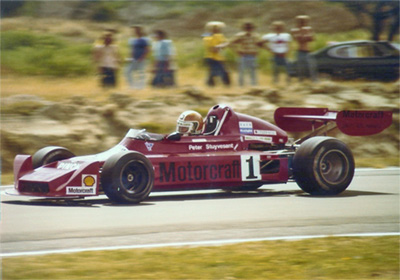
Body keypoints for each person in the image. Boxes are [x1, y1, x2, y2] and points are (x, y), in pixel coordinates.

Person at [221, 21, 261, 86]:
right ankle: (241, 86)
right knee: (242, 72)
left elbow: (259, 44)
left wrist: (257, 51)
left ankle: (254, 86)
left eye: (250, 28)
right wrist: (236, 50)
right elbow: (231, 43)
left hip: (253, 56)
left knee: (253, 72)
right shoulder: (240, 35)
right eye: (247, 28)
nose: (249, 29)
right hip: (244, 56)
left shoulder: (255, 36)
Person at [203, 21, 230, 87]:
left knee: (213, 72)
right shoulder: (207, 37)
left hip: (219, 57)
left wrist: (219, 47)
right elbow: (212, 49)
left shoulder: (220, 36)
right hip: (211, 57)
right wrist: (220, 47)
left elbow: (226, 43)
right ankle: (225, 84)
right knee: (220, 72)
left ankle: (210, 84)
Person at [291, 15, 318, 82]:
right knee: (301, 69)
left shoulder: (308, 29)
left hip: (308, 51)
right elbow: (298, 39)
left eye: (304, 21)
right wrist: (305, 35)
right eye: (301, 21)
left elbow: (312, 38)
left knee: (312, 68)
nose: (303, 23)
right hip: (300, 51)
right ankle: (301, 82)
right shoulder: (295, 30)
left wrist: (305, 36)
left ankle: (314, 82)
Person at [125, 25, 150, 89]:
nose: (135, 31)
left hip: (141, 59)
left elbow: (147, 50)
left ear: (140, 31)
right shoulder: (134, 40)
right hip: (133, 59)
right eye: (134, 30)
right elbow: (132, 50)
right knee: (127, 72)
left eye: (136, 30)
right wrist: (130, 57)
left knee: (141, 73)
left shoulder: (144, 39)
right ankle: (132, 86)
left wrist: (142, 58)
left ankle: (141, 87)